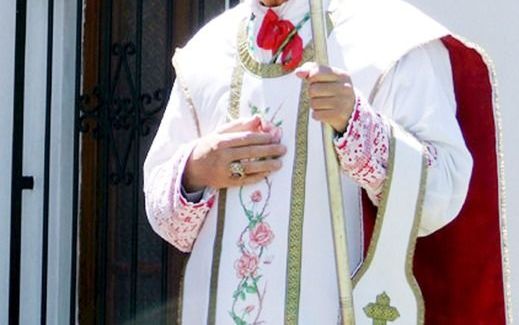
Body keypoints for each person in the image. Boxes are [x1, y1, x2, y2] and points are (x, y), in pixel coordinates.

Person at [144, 0, 509, 323]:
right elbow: (167, 218)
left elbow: (441, 192)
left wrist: (356, 126)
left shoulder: (388, 36)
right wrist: (195, 169)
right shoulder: (207, 51)